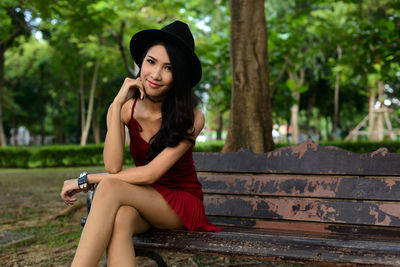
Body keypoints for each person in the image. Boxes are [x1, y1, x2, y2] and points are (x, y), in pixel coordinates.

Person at [60, 20, 221, 267]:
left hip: (179, 203)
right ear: (141, 63)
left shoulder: (192, 117)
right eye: (151, 62)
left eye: (169, 68)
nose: (155, 75)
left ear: (179, 75)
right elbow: (113, 167)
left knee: (108, 188)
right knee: (121, 218)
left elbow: (151, 173)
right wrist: (116, 105)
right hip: (142, 198)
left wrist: (85, 180)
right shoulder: (126, 109)